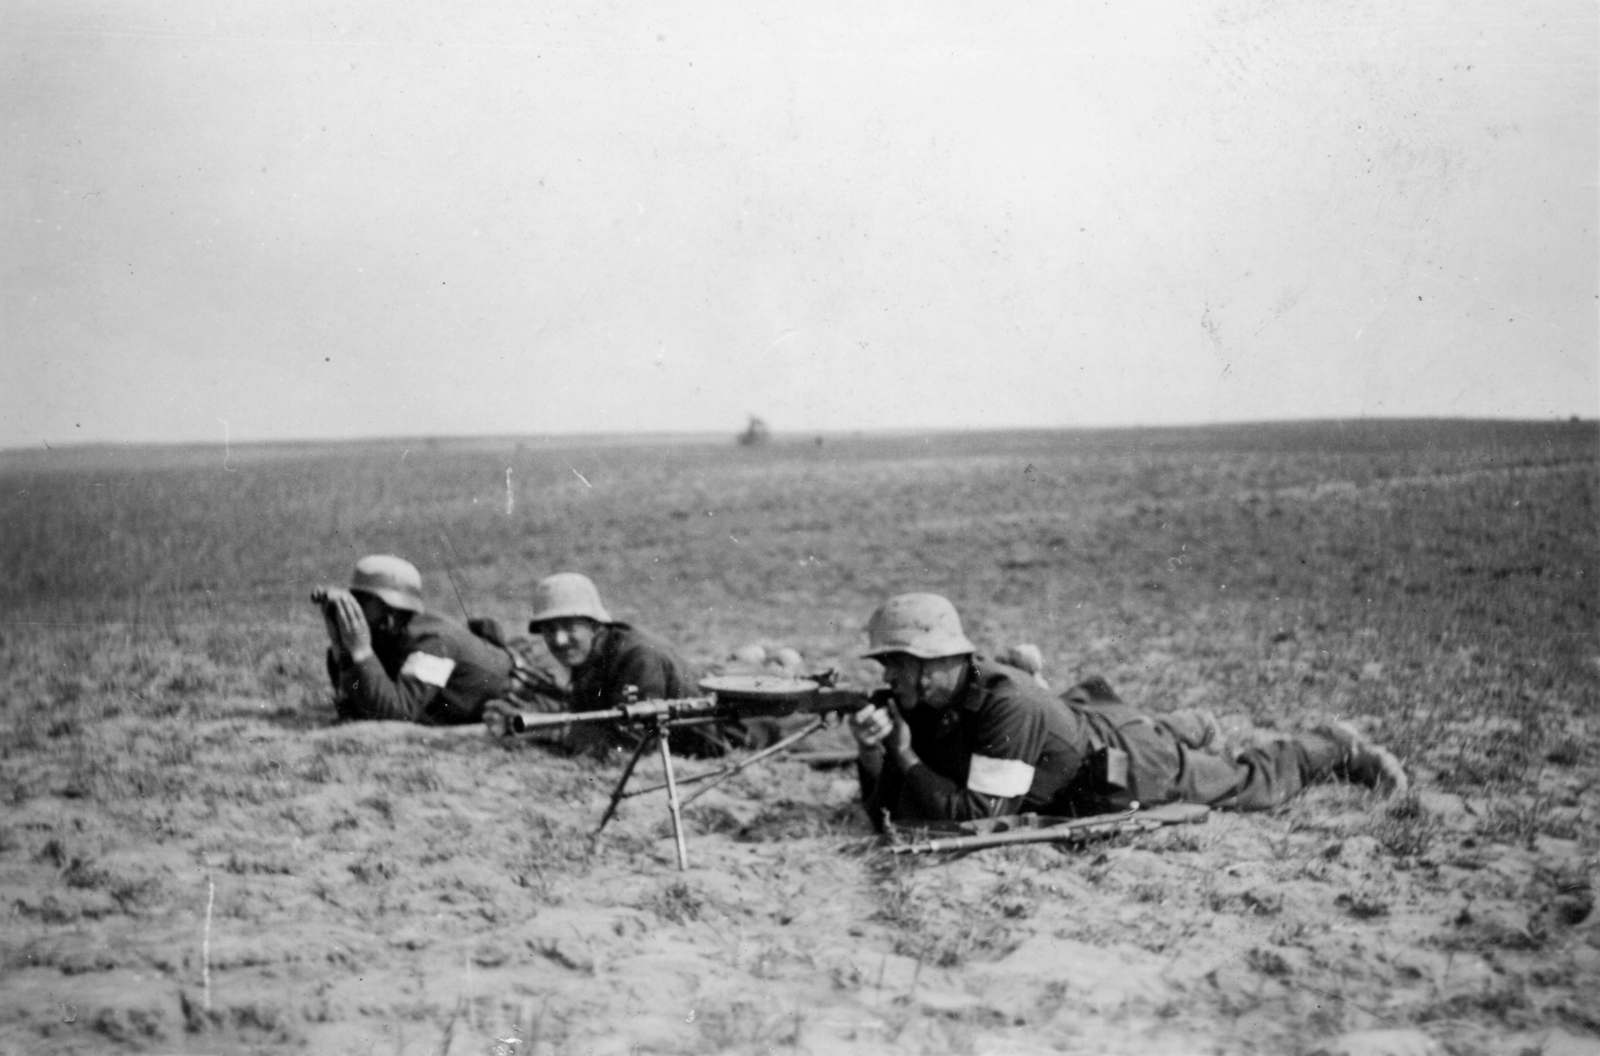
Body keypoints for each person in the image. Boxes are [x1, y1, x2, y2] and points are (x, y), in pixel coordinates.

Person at [847, 593, 1408, 830]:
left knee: (1246, 784)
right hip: (1075, 734)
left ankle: (1333, 746)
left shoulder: (1004, 703)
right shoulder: (937, 696)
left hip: (1127, 767)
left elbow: (980, 815)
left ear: (935, 663)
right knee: (1105, 729)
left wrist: (901, 753)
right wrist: (873, 751)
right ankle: (1186, 726)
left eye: (896, 664)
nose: (888, 679)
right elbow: (892, 808)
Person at [488, 572, 739, 757]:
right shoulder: (592, 652)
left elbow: (632, 746)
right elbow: (586, 711)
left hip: (727, 741)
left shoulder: (638, 658)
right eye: (549, 630)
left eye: (569, 627)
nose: (559, 640)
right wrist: (524, 713)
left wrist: (541, 729)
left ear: (594, 625)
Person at [315, 554, 551, 726]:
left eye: (362, 604)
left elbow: (397, 714)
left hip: (527, 689)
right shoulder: (389, 635)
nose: (351, 612)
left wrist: (361, 653)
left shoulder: (433, 643)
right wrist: (341, 649)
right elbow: (354, 705)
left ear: (389, 616)